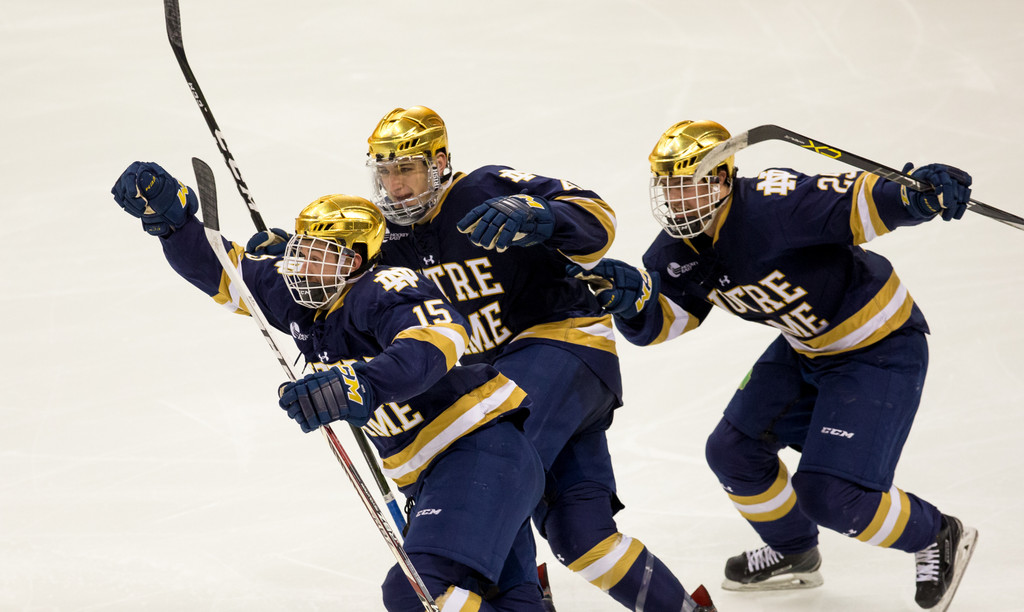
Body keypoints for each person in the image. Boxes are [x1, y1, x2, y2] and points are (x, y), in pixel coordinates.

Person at [253, 105, 715, 611]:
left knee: (485, 468)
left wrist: (543, 216)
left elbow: (599, 220)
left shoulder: (485, 188)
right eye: (384, 172)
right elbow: (353, 281)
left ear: (440, 161)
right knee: (583, 538)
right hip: (503, 382)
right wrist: (300, 256)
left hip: (563, 346)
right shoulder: (385, 238)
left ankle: (516, 597)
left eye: (406, 169)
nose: (396, 186)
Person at [571, 119, 979, 610]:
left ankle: (937, 534)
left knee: (830, 493)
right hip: (806, 349)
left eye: (687, 184)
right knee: (733, 451)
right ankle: (794, 552)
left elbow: (858, 201)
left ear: (722, 179)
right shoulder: (675, 251)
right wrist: (631, 302)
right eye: (667, 185)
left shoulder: (773, 202)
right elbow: (665, 321)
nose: (676, 199)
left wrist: (917, 196)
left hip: (880, 348)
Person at [111, 161, 551, 611]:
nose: (299, 264)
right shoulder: (304, 297)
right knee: (512, 603)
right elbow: (226, 271)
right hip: (445, 475)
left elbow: (440, 337)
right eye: (300, 249)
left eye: (316, 254)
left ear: (353, 261)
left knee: (417, 594)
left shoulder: (380, 288)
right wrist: (175, 225)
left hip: (477, 453)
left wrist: (359, 382)